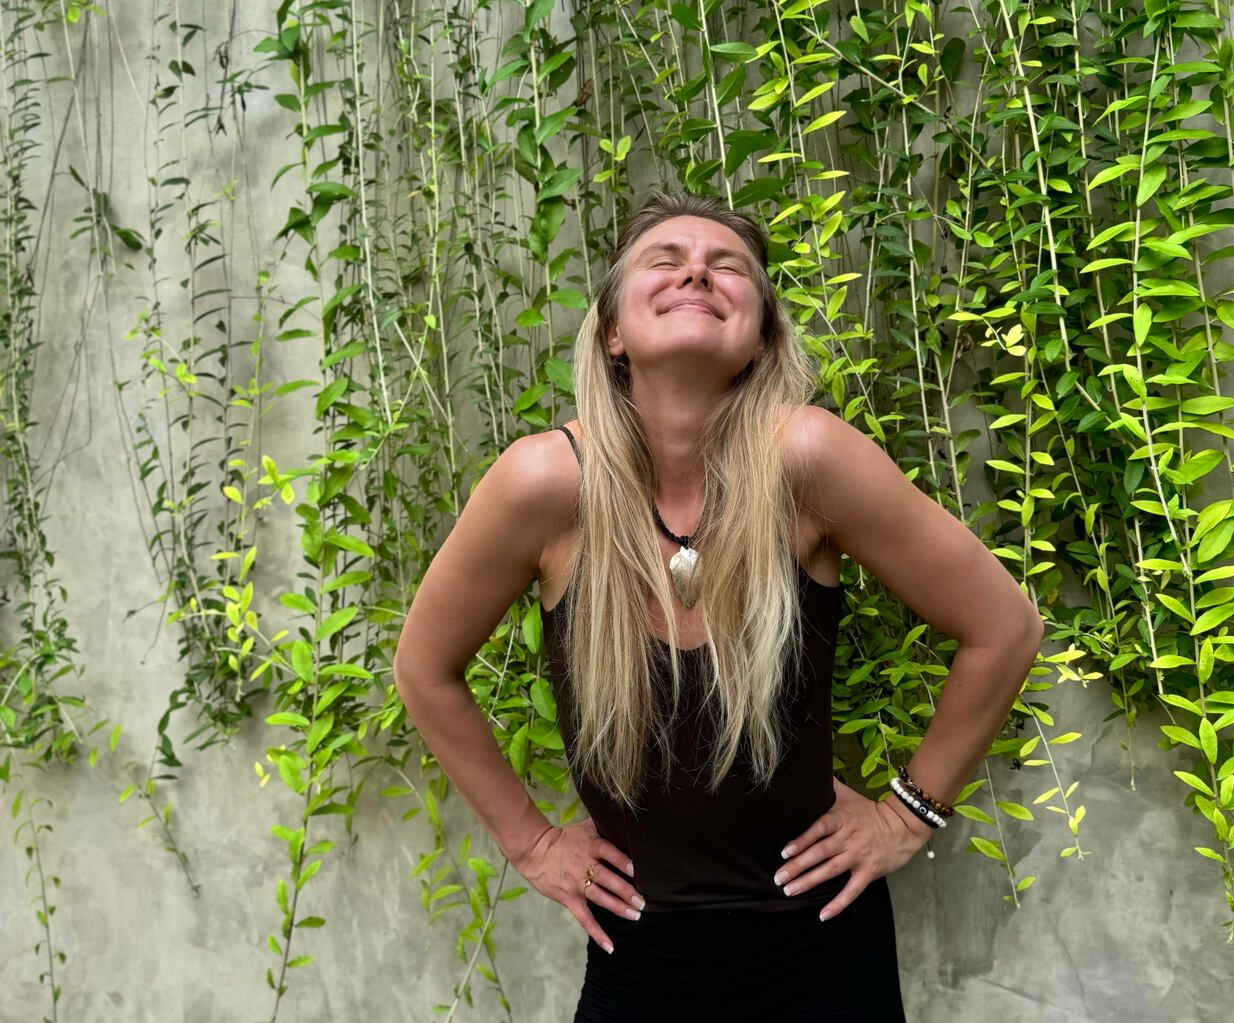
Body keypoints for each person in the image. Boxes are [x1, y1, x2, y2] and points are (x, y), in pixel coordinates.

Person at [393, 190, 1045, 1021]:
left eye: (726, 267)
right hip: (639, 958)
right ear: (613, 332)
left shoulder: (808, 459)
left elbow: (1004, 628)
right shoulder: (545, 483)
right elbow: (424, 669)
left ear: (761, 338)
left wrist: (906, 815)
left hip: (823, 952)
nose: (696, 272)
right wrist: (530, 840)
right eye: (664, 261)